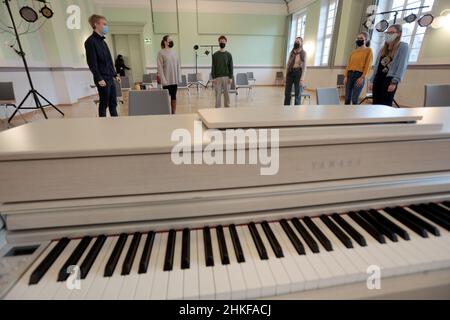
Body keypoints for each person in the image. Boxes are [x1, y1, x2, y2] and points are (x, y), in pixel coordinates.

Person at [84, 14, 120, 117]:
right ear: (96, 24)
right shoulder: (90, 42)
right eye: (104, 24)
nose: (106, 26)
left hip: (110, 77)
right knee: (104, 103)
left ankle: (116, 123)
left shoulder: (103, 42)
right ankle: (102, 124)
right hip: (102, 78)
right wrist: (99, 78)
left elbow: (109, 60)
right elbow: (92, 63)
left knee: (113, 103)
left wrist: (115, 74)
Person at [369, 24, 410, 107]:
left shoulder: (403, 47)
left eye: (391, 32)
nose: (388, 34)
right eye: (387, 32)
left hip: (389, 79)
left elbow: (401, 66)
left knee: (385, 104)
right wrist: (372, 80)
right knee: (375, 103)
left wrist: (394, 82)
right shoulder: (383, 49)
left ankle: (384, 120)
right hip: (378, 78)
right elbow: (377, 66)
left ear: (398, 34)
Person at [344, 32, 373, 105]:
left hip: (359, 76)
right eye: (358, 38)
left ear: (366, 40)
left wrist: (362, 77)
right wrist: (346, 76)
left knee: (354, 99)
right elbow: (348, 65)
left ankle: (354, 115)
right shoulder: (353, 52)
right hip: (350, 74)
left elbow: (368, 65)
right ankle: (344, 114)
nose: (359, 40)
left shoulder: (368, 50)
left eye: (361, 38)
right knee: (347, 98)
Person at [157, 35, 181, 114]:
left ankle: (173, 114)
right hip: (166, 80)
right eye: (170, 40)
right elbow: (160, 67)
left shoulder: (174, 52)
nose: (171, 41)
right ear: (165, 42)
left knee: (174, 97)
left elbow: (178, 65)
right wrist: (163, 80)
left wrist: (178, 78)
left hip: (174, 80)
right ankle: (167, 113)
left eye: (172, 40)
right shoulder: (161, 52)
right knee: (166, 98)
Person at [212, 35, 234, 108]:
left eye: (223, 41)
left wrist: (231, 77)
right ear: (218, 42)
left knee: (226, 94)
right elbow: (213, 67)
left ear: (226, 42)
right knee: (217, 94)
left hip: (226, 77)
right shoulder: (215, 55)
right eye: (221, 41)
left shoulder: (229, 55)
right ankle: (217, 108)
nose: (222, 43)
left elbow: (231, 67)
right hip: (217, 78)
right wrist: (213, 77)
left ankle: (227, 107)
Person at [284, 37, 307, 106]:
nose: (296, 43)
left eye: (298, 41)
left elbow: (304, 67)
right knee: (287, 92)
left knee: (297, 92)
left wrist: (302, 79)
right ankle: (286, 107)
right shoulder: (292, 52)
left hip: (298, 73)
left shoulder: (303, 53)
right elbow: (288, 64)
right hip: (290, 72)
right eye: (295, 41)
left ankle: (296, 109)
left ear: (301, 43)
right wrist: (285, 75)